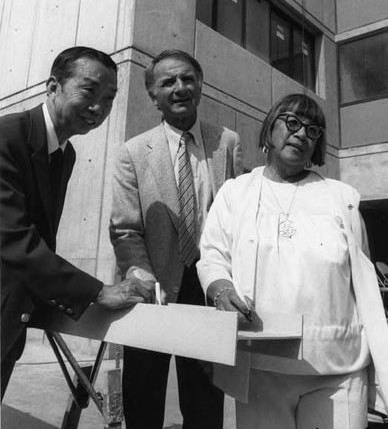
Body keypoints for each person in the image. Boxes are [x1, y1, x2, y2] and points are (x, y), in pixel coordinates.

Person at [197, 93, 388, 429]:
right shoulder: (234, 192)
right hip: (261, 367)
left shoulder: (341, 198)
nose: (302, 134)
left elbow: (363, 283)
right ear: (270, 128)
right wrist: (220, 288)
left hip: (337, 367)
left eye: (313, 131)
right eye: (293, 123)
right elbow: (213, 255)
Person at [0, 46, 155, 399]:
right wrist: (97, 291)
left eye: (109, 98)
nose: (98, 108)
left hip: (10, 319)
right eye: (88, 91)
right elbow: (13, 240)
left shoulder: (64, 153)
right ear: (53, 87)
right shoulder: (6, 137)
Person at [109, 49, 243, 429]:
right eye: (168, 82)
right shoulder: (132, 152)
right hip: (151, 293)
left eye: (187, 79)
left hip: (207, 293)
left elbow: (236, 220)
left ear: (200, 85)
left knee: (205, 404)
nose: (180, 87)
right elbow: (125, 228)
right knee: (143, 400)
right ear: (153, 94)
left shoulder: (228, 143)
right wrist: (141, 276)